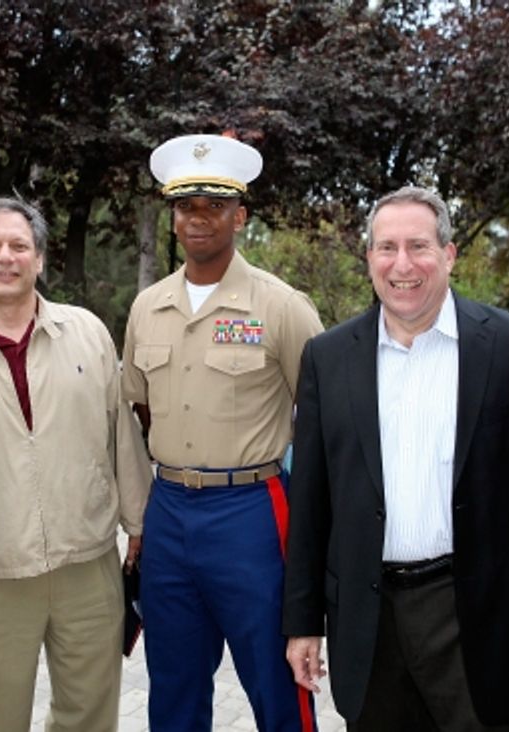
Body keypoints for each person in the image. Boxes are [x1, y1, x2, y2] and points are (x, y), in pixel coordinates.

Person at [282, 186, 509, 731]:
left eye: (419, 246)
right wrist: (303, 622)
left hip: (478, 616)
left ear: (449, 255)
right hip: (371, 617)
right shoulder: (328, 358)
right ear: (368, 259)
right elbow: (312, 499)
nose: (402, 264)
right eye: (386, 248)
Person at [0, 196, 151, 731]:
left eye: (19, 246)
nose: (6, 257)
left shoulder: (88, 333)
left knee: (90, 714)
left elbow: (123, 435)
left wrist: (138, 525)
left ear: (39, 259)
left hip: (87, 561)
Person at [121, 133, 325, 731]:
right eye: (187, 206)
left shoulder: (281, 307)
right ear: (174, 217)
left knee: (277, 682)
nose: (199, 217)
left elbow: (320, 422)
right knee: (175, 688)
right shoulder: (147, 307)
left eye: (215, 205)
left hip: (252, 514)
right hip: (170, 512)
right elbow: (136, 410)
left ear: (241, 215)